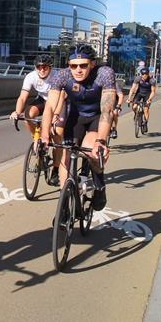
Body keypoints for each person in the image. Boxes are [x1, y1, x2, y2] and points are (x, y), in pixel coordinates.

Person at [40, 45, 115, 211]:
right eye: (74, 65)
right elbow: (50, 107)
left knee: (91, 150)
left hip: (97, 118)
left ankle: (99, 186)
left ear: (92, 64)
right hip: (75, 118)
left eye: (83, 65)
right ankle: (64, 204)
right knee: (66, 156)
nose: (78, 70)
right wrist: (44, 136)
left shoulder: (104, 74)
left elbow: (107, 110)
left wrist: (101, 141)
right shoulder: (62, 75)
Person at [9, 53, 62, 185]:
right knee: (28, 114)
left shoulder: (57, 76)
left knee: (57, 136)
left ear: (50, 67)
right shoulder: (30, 76)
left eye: (45, 67)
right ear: (35, 67)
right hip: (42, 99)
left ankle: (56, 169)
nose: (42, 69)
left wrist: (55, 115)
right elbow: (22, 97)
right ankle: (37, 139)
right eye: (39, 67)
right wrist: (17, 111)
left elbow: (61, 98)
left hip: (56, 101)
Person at [127, 68, 156, 133]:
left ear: (148, 75)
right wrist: (129, 98)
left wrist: (149, 99)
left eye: (145, 75)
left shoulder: (152, 81)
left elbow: (153, 91)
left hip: (147, 94)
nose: (144, 76)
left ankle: (145, 123)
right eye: (142, 74)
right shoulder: (138, 78)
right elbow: (132, 88)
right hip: (139, 93)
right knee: (134, 106)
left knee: (146, 110)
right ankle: (136, 114)